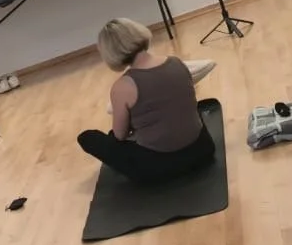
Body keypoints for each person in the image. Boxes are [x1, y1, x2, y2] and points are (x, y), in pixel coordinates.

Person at [77, 18, 216, 184]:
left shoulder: (122, 86)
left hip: (158, 168)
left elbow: (120, 135)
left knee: (88, 137)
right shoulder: (176, 63)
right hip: (203, 150)